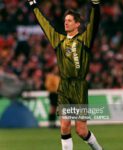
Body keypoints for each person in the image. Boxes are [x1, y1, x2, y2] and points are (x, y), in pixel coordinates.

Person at [28, 0, 103, 149]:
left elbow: (94, 22)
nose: (66, 23)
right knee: (64, 126)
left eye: (69, 21)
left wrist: (95, 5)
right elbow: (45, 24)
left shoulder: (84, 40)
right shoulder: (58, 40)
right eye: (65, 21)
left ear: (77, 24)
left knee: (81, 131)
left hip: (79, 87)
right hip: (64, 87)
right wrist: (33, 5)